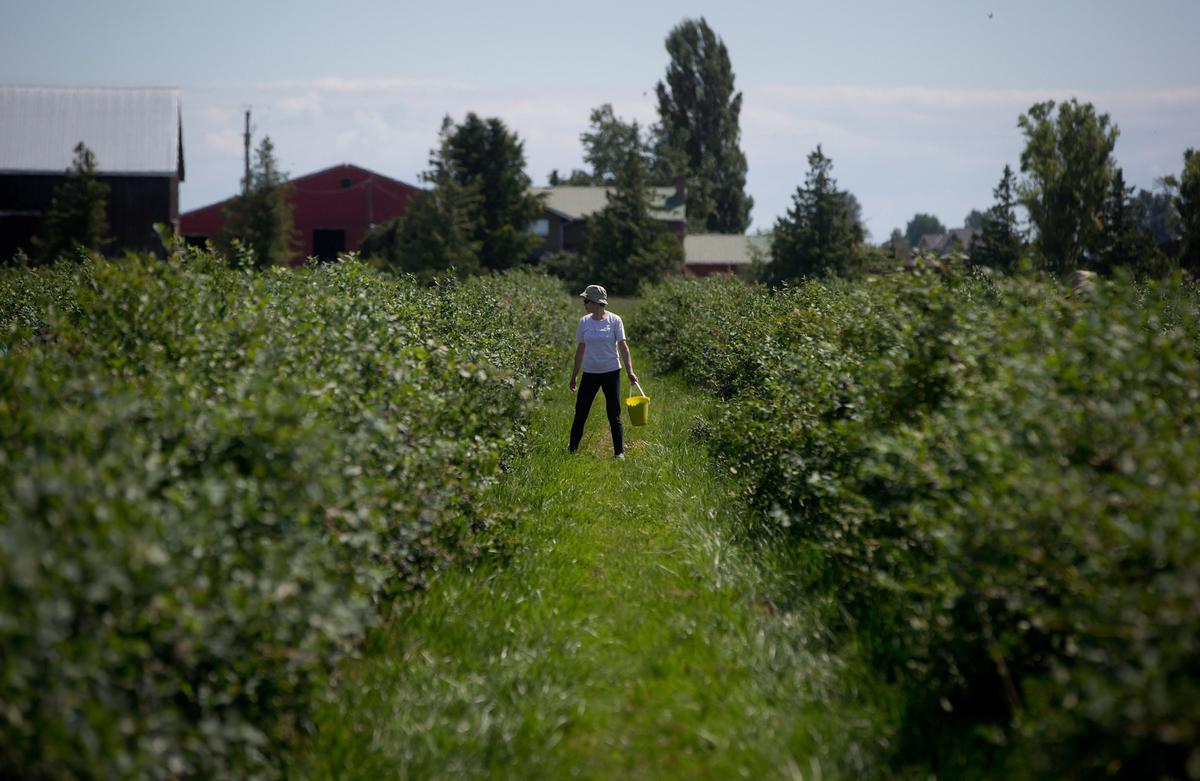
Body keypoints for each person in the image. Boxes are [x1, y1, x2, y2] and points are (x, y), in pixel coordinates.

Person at [569, 284, 638, 459]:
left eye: (586, 301)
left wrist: (630, 371)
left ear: (595, 302)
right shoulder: (584, 322)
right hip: (590, 373)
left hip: (611, 371)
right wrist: (575, 375)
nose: (584, 304)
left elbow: (623, 347)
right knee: (581, 412)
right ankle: (572, 449)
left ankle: (619, 453)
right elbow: (580, 350)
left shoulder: (615, 320)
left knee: (614, 413)